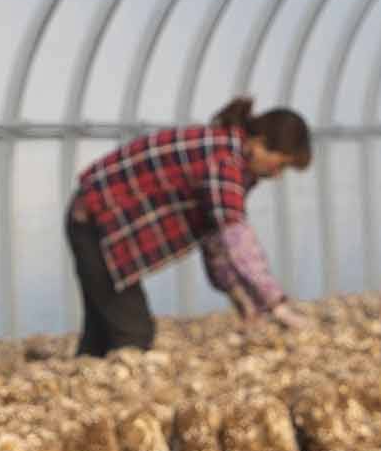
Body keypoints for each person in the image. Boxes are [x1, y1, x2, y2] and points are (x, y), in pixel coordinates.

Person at [63, 99, 315, 356]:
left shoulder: (227, 154)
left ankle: (84, 372)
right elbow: (238, 240)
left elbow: (216, 241)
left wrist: (243, 302)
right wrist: (276, 303)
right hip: (96, 222)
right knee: (133, 332)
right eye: (281, 163)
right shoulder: (224, 161)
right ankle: (105, 383)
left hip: (96, 223)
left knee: (103, 331)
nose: (277, 175)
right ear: (259, 142)